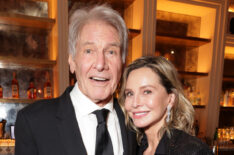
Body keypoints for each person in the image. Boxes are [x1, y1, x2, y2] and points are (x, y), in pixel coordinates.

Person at [15, 4, 137, 155]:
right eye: (89, 51)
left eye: (111, 52)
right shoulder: (33, 121)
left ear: (123, 63)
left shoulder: (134, 120)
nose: (100, 64)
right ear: (72, 61)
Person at [119, 56, 213, 155]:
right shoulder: (135, 147)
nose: (135, 103)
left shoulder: (192, 150)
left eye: (147, 92)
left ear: (170, 99)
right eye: (129, 93)